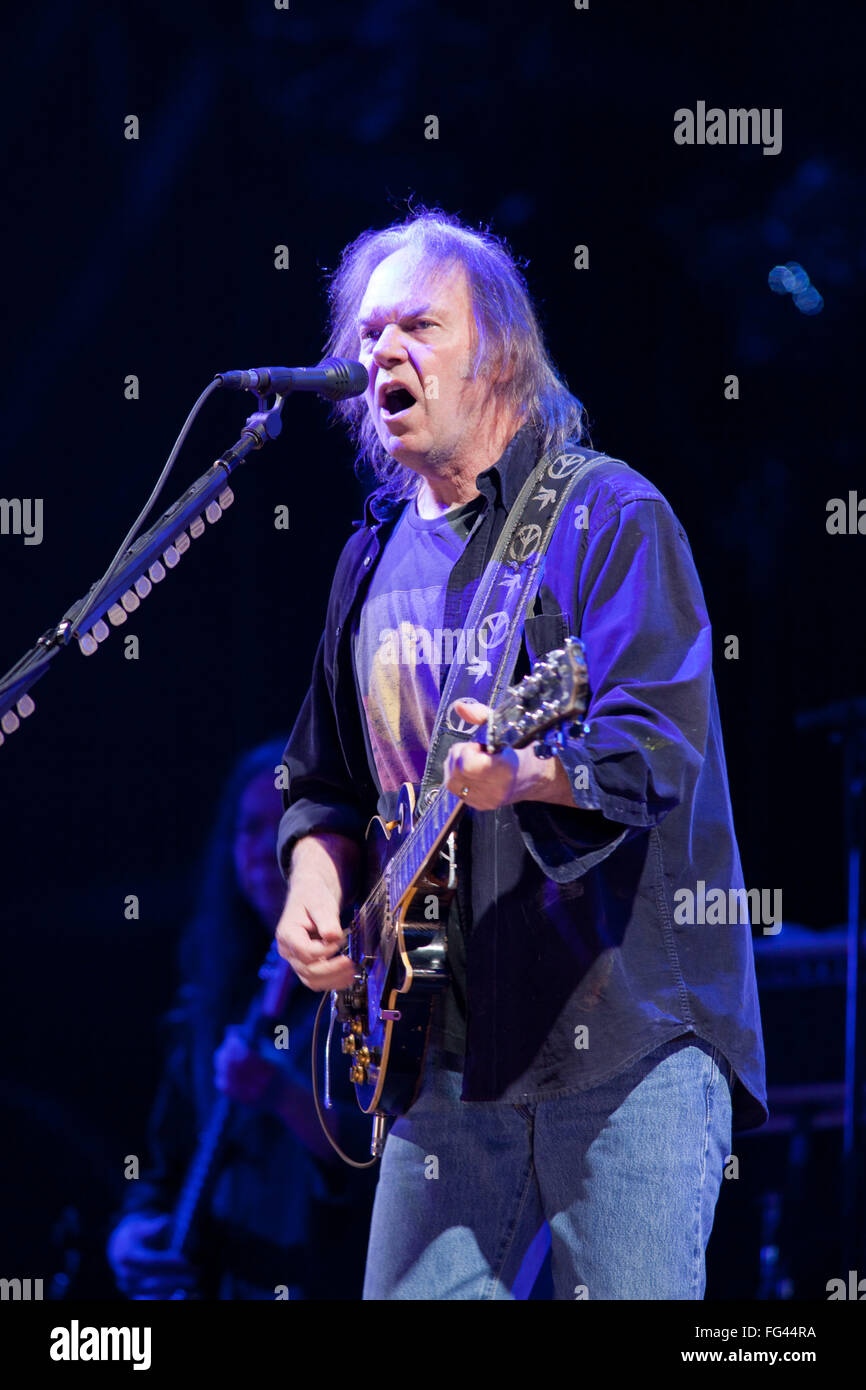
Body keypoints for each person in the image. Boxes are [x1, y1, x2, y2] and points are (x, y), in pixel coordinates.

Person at [274, 209, 768, 1300]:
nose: (379, 355)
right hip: (440, 1060)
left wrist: (527, 774)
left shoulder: (607, 517)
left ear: (495, 348)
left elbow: (652, 748)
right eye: (365, 337)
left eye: (416, 326)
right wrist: (316, 884)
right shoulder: (368, 557)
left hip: (622, 1044)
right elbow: (320, 783)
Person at [107, 740, 375, 1300]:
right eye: (247, 829)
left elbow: (382, 1157)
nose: (262, 849)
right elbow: (162, 1167)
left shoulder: (368, 980)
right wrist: (130, 1236)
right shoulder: (211, 1001)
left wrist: (284, 1096)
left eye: (282, 826)